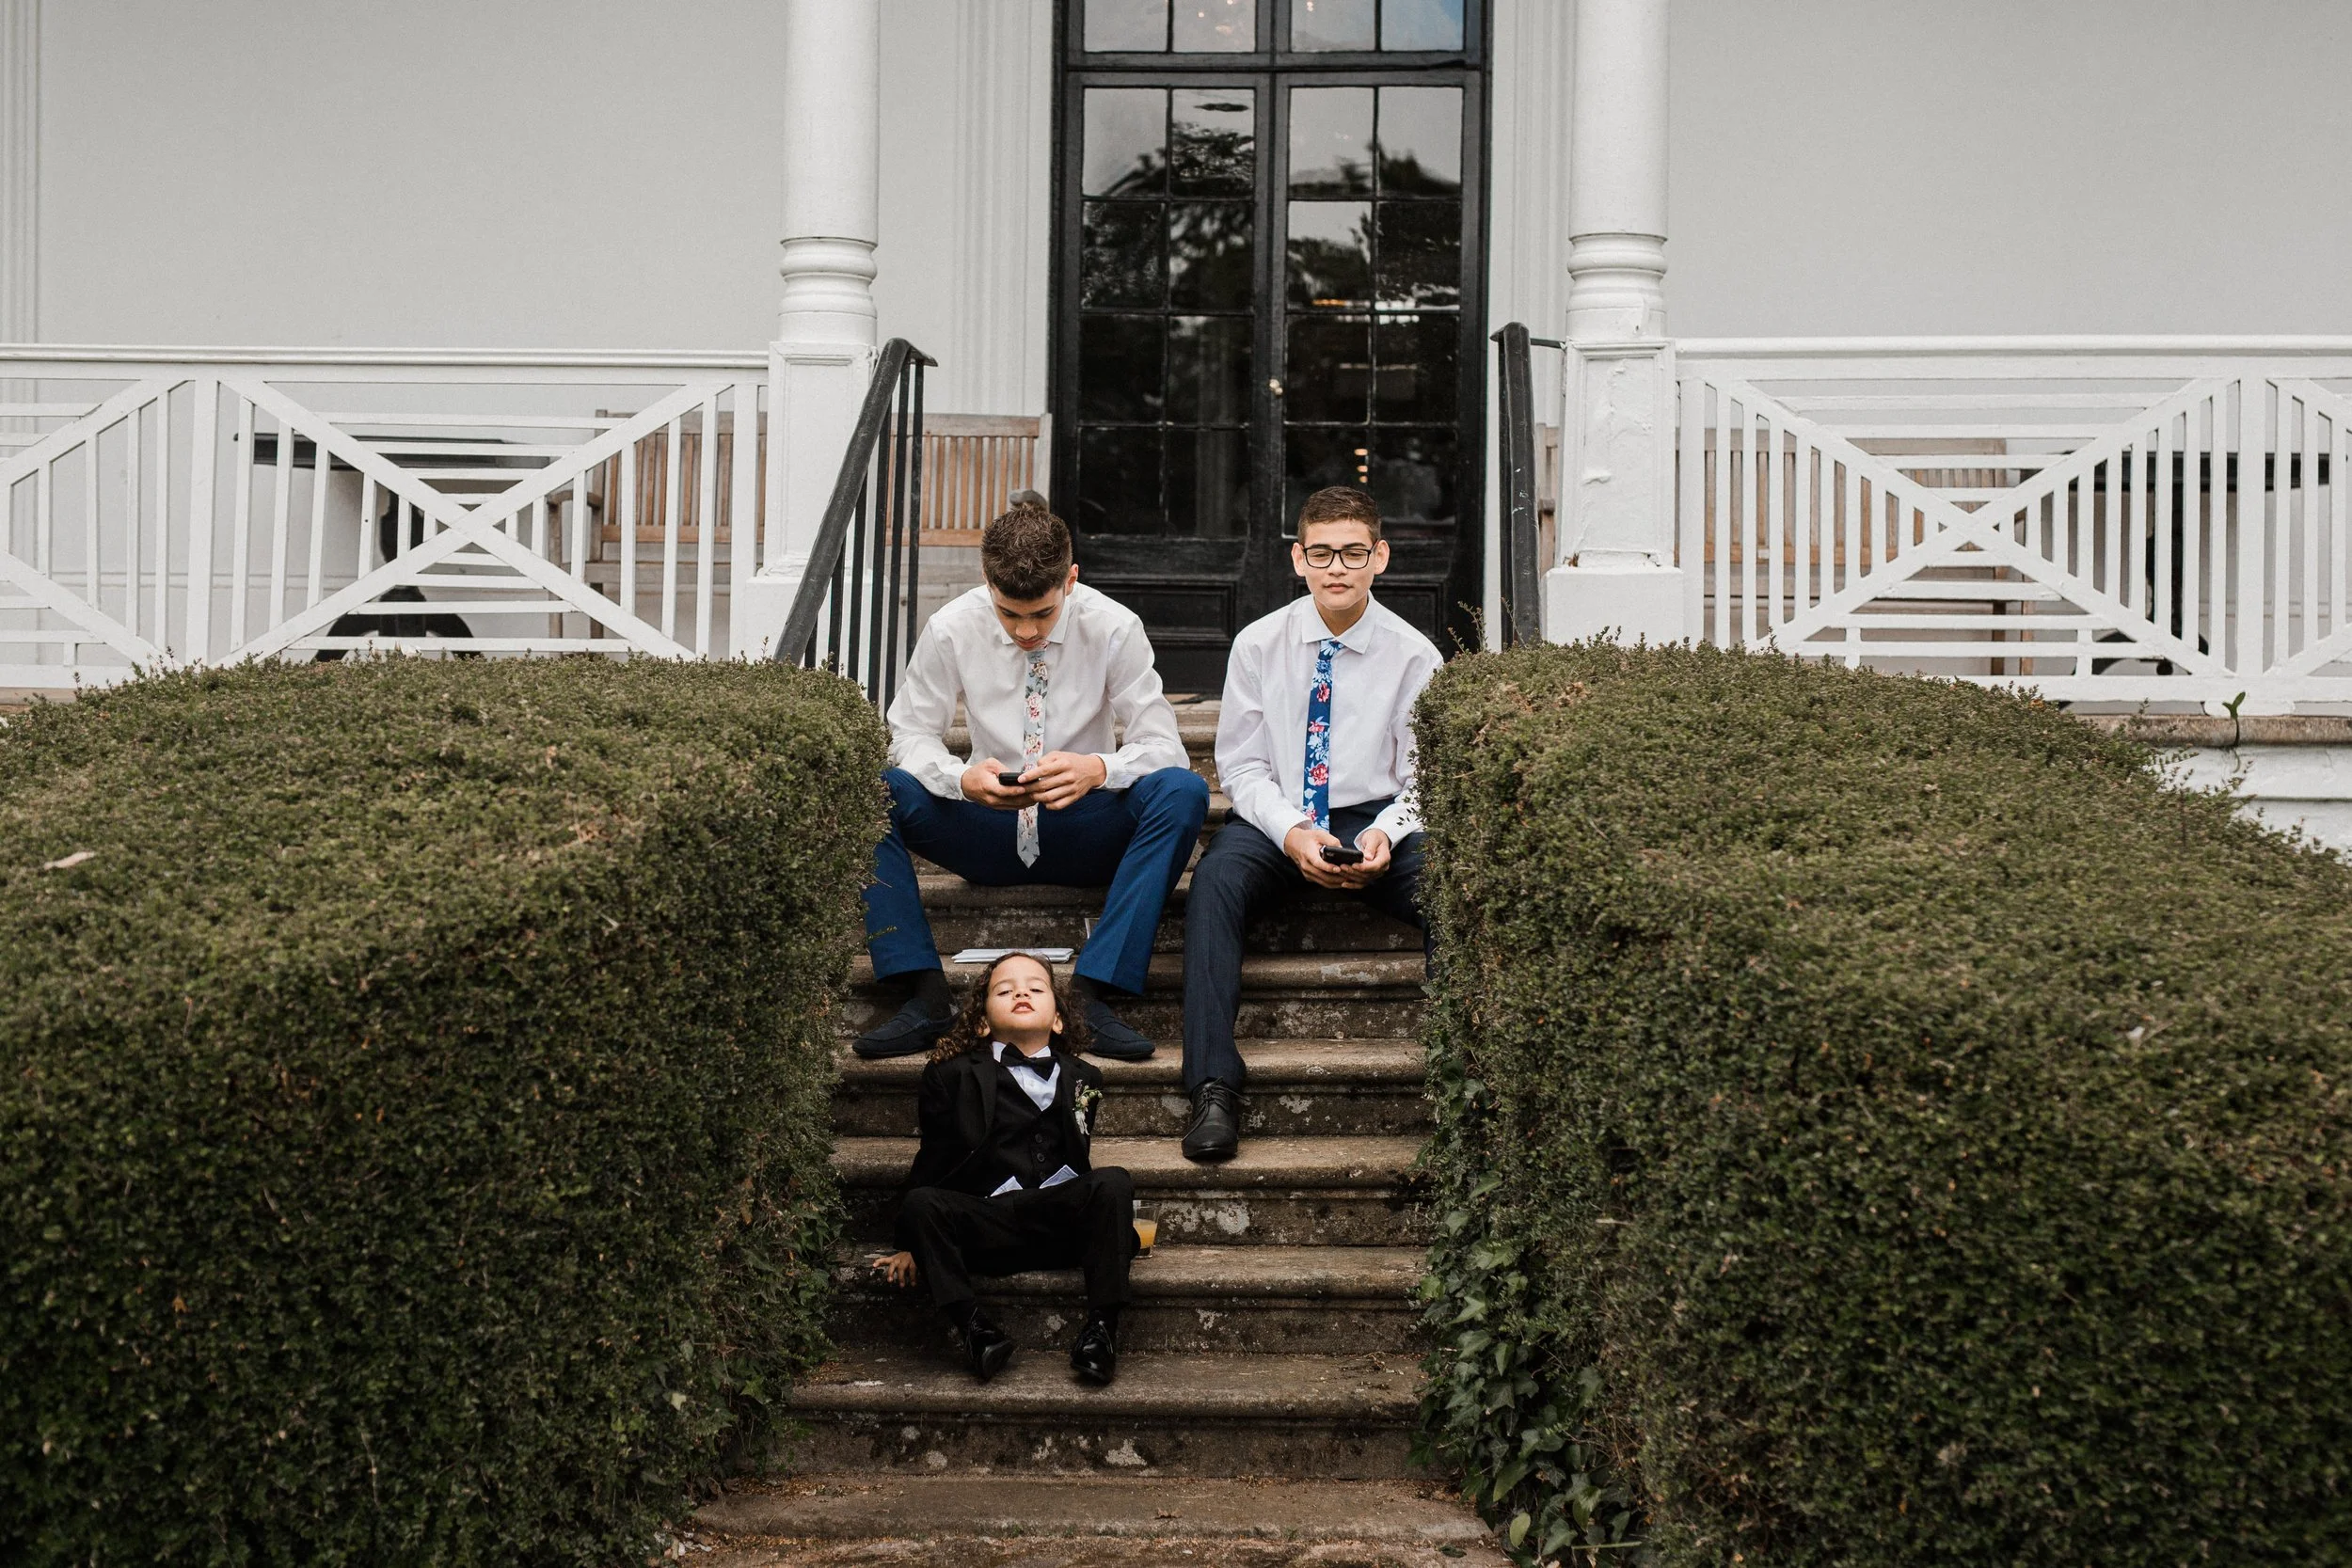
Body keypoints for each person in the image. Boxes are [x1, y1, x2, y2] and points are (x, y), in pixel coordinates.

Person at [856, 500, 1209, 1062]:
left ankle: (1094, 994)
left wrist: (1100, 769)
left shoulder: (1115, 628)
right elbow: (907, 734)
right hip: (986, 830)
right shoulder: (951, 628)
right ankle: (921, 993)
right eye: (1008, 613)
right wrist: (961, 779)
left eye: (1042, 614)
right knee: (873, 787)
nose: (1025, 631)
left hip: (1084, 828)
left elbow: (1164, 746)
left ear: (1071, 579)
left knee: (1182, 792)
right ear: (986, 580)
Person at [1178, 486, 1441, 1163]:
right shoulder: (1259, 645)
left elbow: (1424, 780)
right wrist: (1291, 831)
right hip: (1281, 812)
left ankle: (1457, 1079)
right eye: (1321, 552)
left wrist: (1387, 832)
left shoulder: (1416, 657)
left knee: (1454, 890)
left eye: (1354, 551)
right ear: (1298, 558)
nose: (1337, 567)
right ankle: (1212, 1085)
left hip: (1371, 818)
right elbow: (1240, 765)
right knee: (1213, 884)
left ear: (1379, 556)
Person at [868, 952, 1136, 1386]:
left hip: (1057, 1225)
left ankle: (1101, 1332)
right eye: (1004, 989)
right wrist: (908, 1242)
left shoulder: (1085, 1076)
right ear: (982, 1023)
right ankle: (976, 1331)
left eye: (1035, 987)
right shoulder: (950, 1074)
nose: (1021, 993)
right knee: (922, 1204)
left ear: (1059, 1020)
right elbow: (931, 1158)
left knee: (1114, 1182)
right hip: (987, 1220)